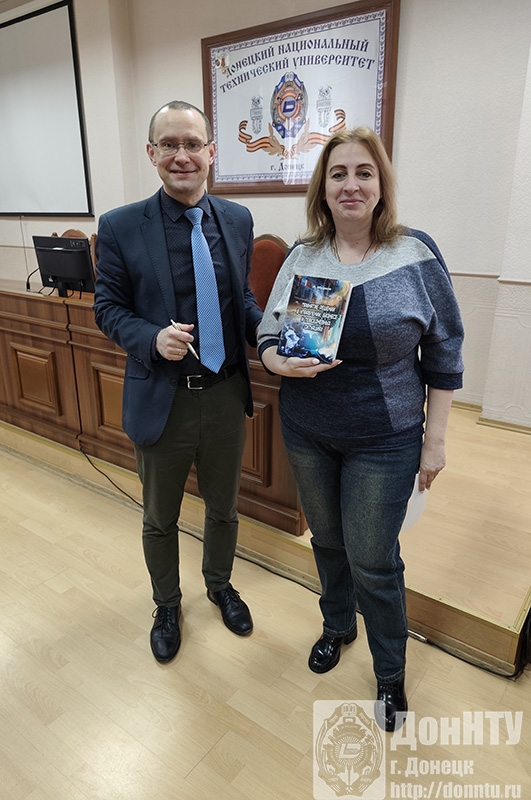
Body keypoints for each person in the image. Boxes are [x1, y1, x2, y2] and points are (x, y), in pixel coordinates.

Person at [257, 127, 464, 731]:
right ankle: (337, 625)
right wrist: (276, 362)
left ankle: (389, 672)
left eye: (363, 173)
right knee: (326, 541)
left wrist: (435, 441)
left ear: (381, 185)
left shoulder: (415, 253)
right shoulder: (303, 255)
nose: (351, 184)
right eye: (338, 173)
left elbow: (445, 350)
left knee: (373, 558)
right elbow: (268, 332)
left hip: (385, 437)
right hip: (308, 430)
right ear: (323, 188)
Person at [94, 101, 263, 664]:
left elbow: (241, 300)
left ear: (212, 152)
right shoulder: (120, 226)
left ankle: (219, 584)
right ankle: (167, 604)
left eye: (193, 144)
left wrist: (272, 336)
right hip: (162, 397)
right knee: (159, 517)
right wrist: (150, 338)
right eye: (169, 144)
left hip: (225, 395)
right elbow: (107, 308)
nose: (182, 155)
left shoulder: (236, 220)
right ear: (152, 153)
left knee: (224, 508)